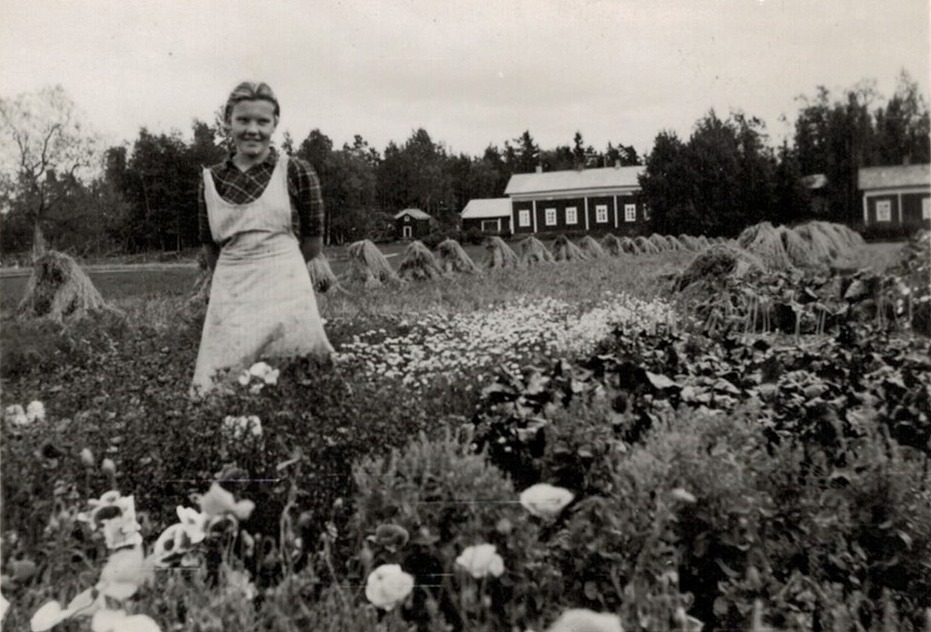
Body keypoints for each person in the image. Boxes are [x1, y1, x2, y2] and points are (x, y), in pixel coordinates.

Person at [191, 81, 333, 396]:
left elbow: (313, 244)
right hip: (232, 297)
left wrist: (279, 267)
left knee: (298, 377)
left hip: (287, 292)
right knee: (223, 385)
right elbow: (210, 247)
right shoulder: (212, 180)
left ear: (275, 124)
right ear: (228, 122)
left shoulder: (296, 171)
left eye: (262, 121)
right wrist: (237, 277)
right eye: (243, 120)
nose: (252, 130)